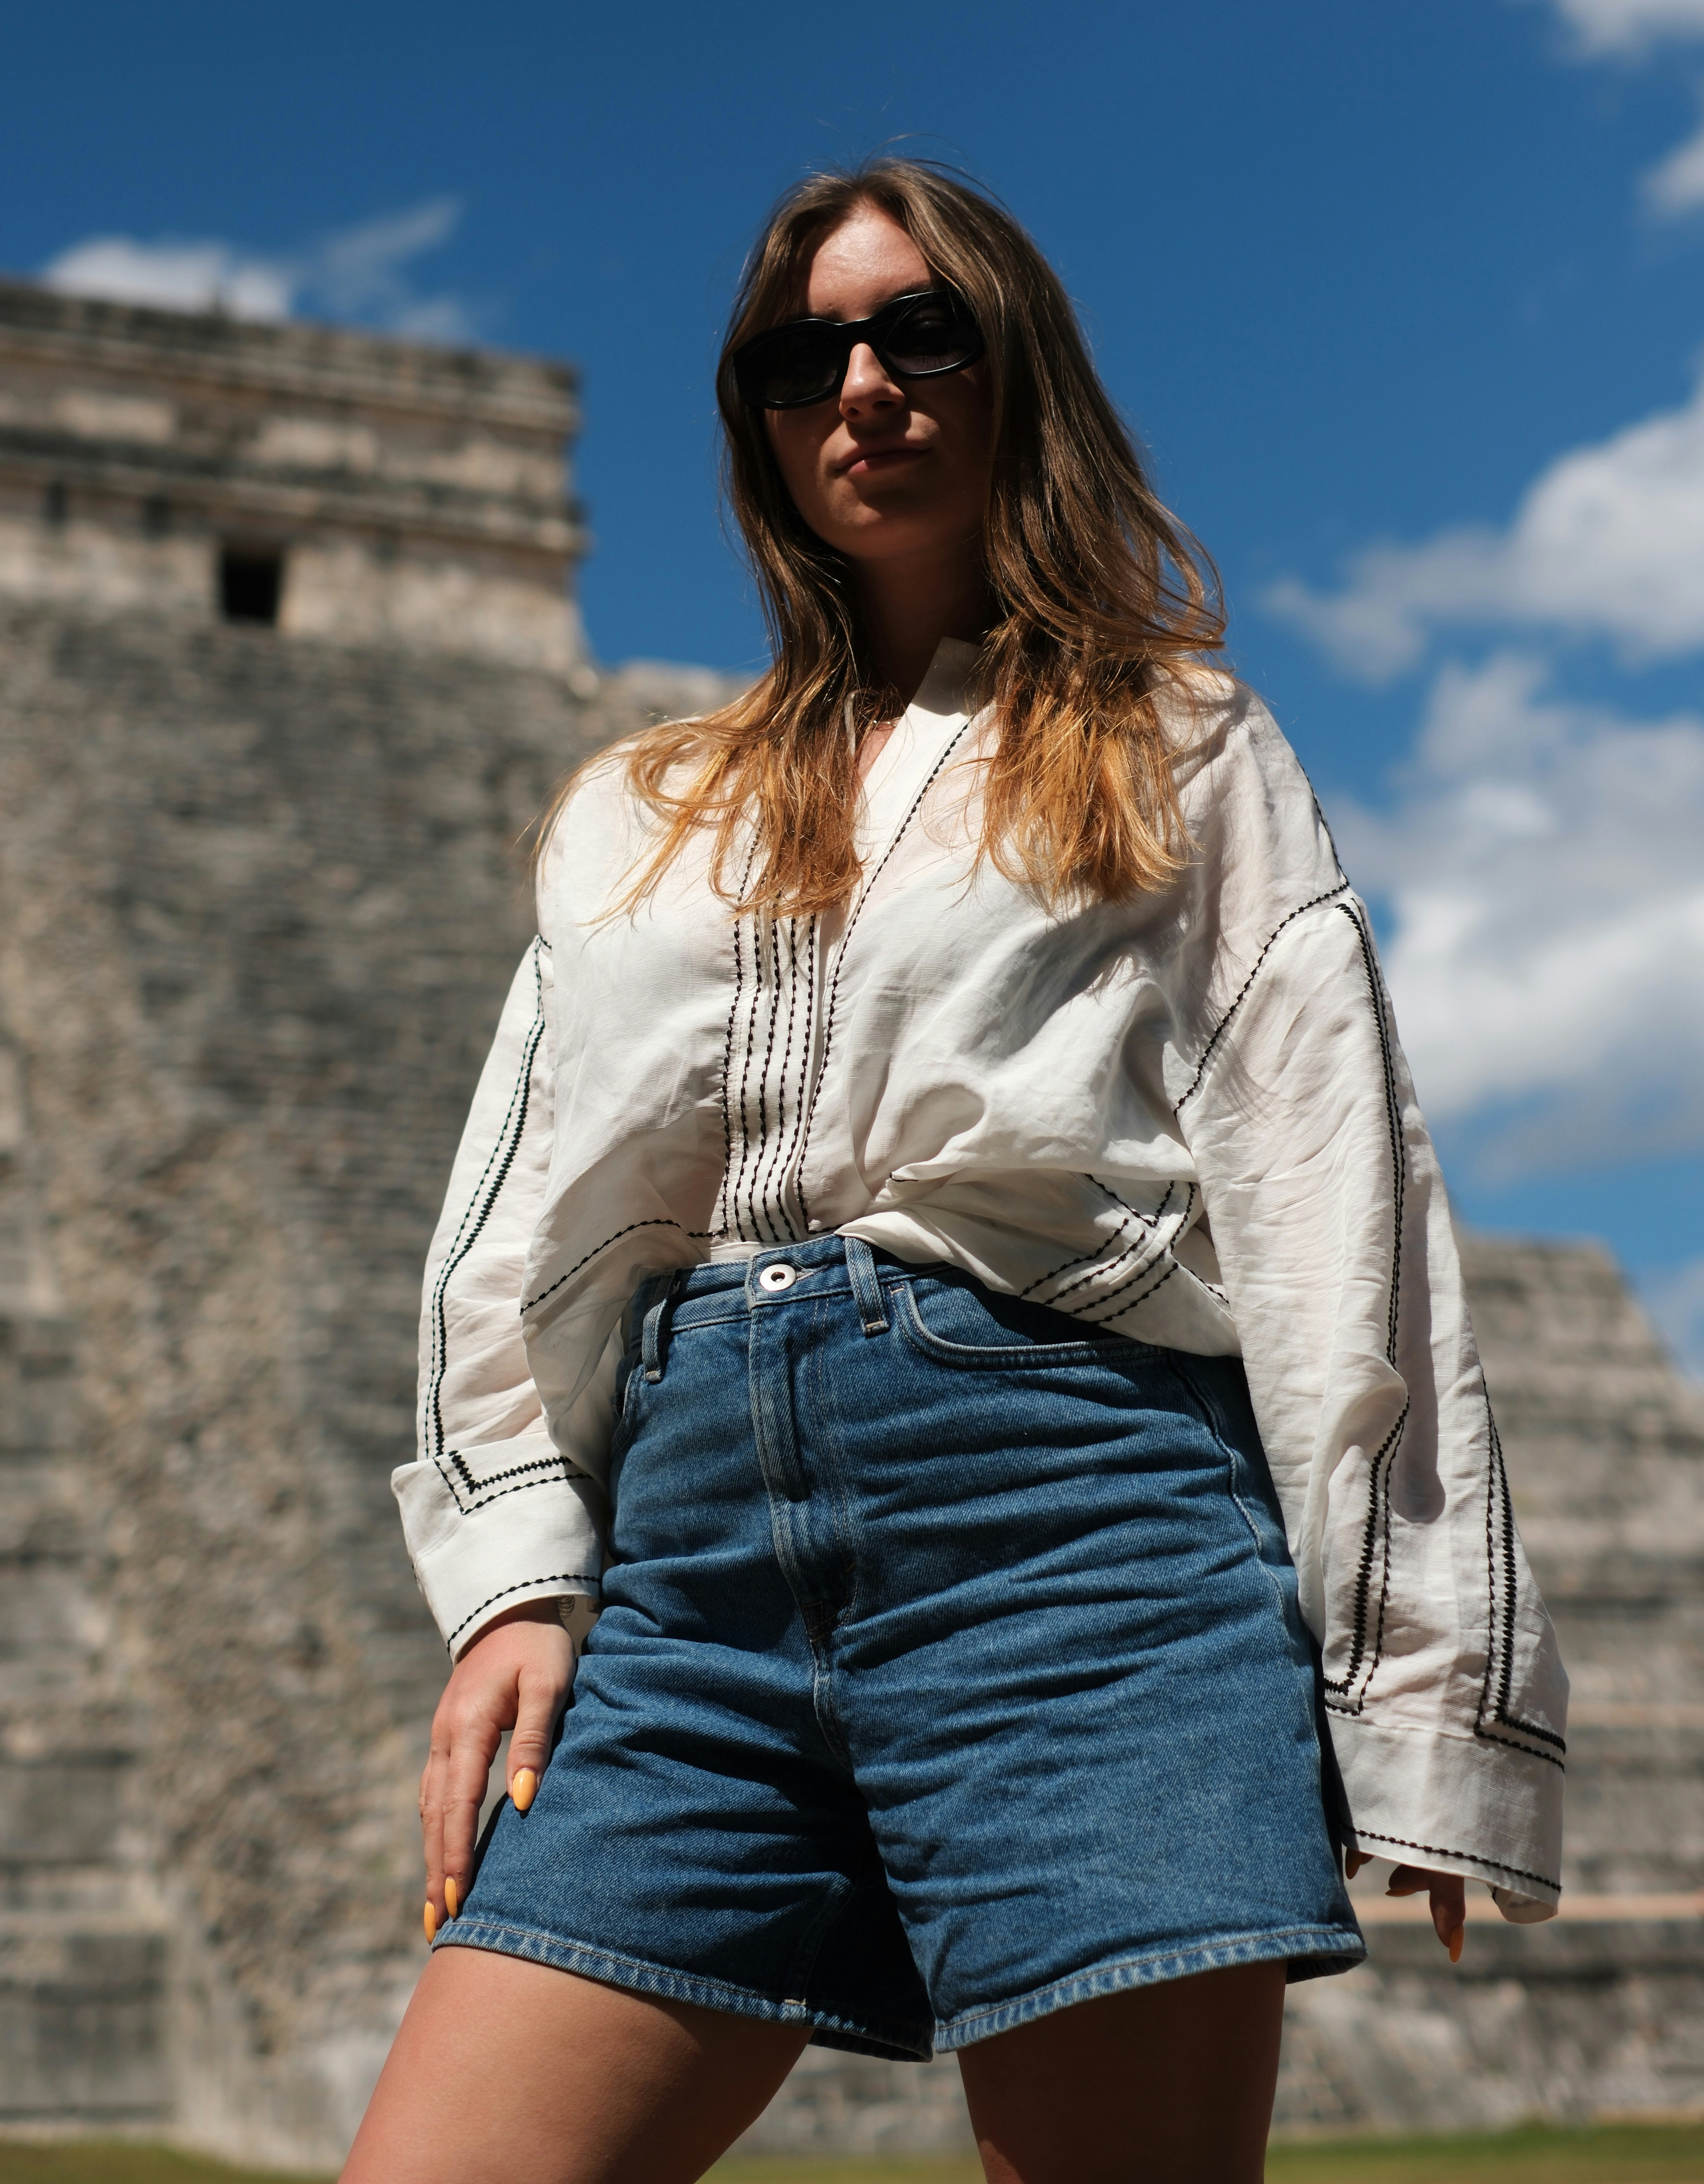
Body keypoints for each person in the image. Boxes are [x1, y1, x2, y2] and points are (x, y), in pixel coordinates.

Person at [345, 162, 1566, 2184]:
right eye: (799, 352)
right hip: (695, 1584)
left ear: (1022, 376)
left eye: (924, 331)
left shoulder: (1174, 741)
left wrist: (1416, 1685)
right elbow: (522, 1215)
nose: (863, 384)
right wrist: (515, 1579)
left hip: (1082, 1544)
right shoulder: (649, 809)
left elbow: (1338, 1192)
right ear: (752, 416)